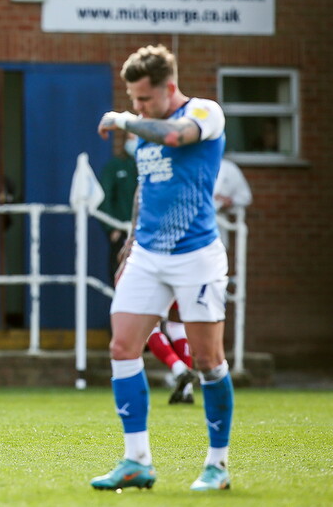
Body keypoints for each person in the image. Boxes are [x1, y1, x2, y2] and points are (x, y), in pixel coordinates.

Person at [92, 45, 234, 492]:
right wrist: (130, 245)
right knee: (121, 347)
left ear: (169, 88)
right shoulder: (141, 131)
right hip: (148, 256)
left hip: (196, 255)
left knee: (209, 360)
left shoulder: (206, 113)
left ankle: (218, 465)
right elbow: (145, 189)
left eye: (144, 99)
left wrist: (122, 119)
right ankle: (137, 461)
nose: (137, 107)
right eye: (131, 99)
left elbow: (176, 137)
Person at [147, 156, 252, 404]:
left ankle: (178, 369)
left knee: (150, 325)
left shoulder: (170, 169)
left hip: (171, 257)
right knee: (183, 326)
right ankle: (187, 388)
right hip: (203, 259)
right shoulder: (195, 169)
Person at [98, 133, 139, 281]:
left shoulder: (150, 167)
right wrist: (112, 228)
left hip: (147, 235)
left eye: (137, 137)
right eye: (130, 138)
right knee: (121, 278)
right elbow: (104, 198)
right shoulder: (115, 166)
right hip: (123, 233)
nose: (133, 141)